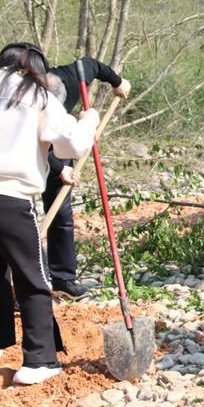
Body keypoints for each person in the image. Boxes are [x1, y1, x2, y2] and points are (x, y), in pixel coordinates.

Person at [0, 44, 98, 385]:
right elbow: (70, 146)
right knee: (34, 277)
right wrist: (90, 120)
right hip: (7, 200)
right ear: (36, 71)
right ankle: (40, 360)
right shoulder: (36, 94)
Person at [36, 52, 130, 298]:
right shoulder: (28, 101)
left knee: (61, 214)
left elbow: (93, 65)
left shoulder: (71, 74)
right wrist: (59, 167)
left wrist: (118, 82)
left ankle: (63, 279)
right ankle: (22, 284)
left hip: (60, 140)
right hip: (26, 148)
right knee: (17, 218)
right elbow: (31, 141)